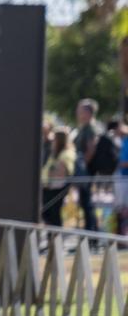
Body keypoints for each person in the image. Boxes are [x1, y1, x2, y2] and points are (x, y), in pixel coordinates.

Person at [73, 99, 101, 231]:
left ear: (88, 113)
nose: (77, 112)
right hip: (84, 169)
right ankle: (91, 233)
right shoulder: (85, 127)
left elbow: (91, 149)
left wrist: (83, 167)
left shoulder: (90, 127)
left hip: (86, 170)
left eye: (80, 110)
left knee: (87, 202)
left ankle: (91, 236)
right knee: (85, 202)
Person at [43, 128, 75, 227]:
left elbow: (60, 172)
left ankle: (55, 239)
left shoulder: (66, 154)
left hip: (56, 188)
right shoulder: (55, 153)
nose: (52, 141)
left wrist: (50, 175)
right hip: (48, 187)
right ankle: (51, 239)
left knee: (54, 214)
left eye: (54, 139)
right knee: (47, 214)